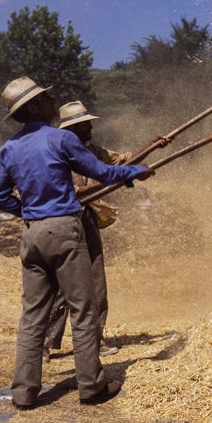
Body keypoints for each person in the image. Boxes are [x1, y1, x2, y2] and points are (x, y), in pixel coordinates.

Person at [0, 76, 154, 409]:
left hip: (32, 234)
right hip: (64, 230)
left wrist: (27, 210)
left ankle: (23, 393)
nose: (53, 102)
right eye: (47, 99)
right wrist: (135, 171)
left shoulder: (9, 148)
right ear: (34, 107)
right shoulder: (60, 139)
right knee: (83, 309)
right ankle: (92, 387)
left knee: (33, 315)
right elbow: (104, 173)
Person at [42, 100, 135, 362]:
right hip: (64, 221)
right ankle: (45, 344)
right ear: (73, 128)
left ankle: (94, 339)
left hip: (88, 221)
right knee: (61, 285)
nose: (91, 127)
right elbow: (67, 192)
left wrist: (154, 146)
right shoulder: (57, 153)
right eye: (86, 124)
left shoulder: (92, 151)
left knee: (95, 282)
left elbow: (123, 160)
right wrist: (100, 183)